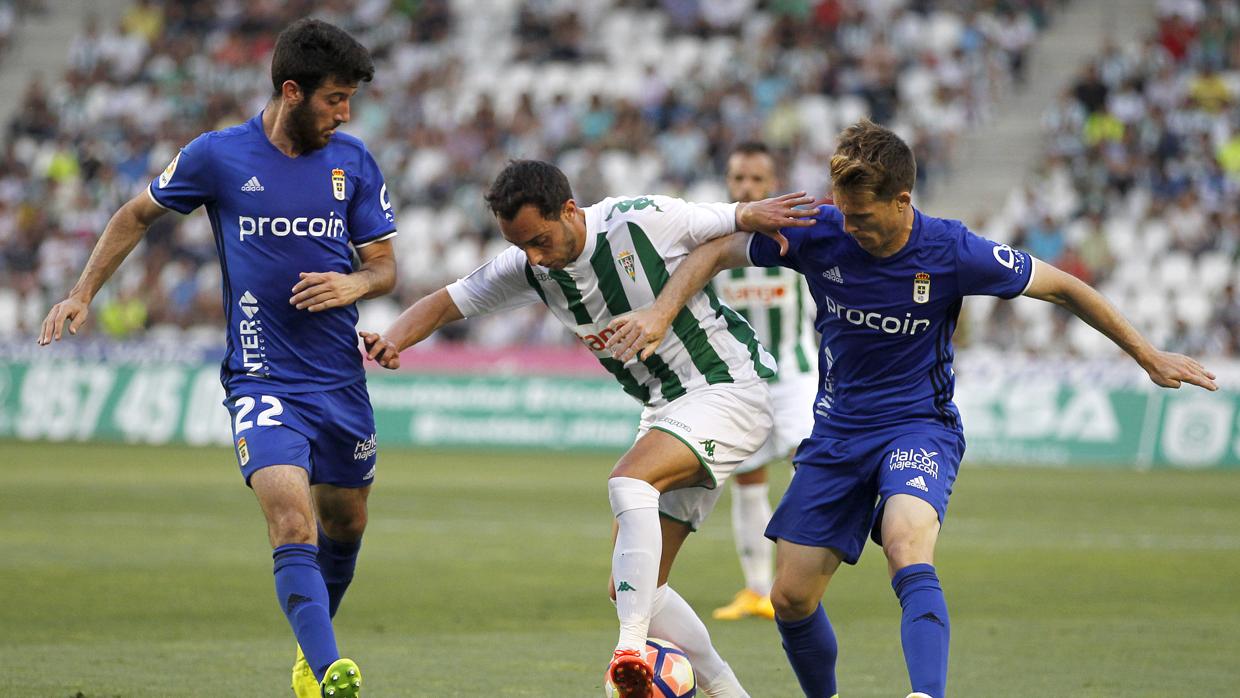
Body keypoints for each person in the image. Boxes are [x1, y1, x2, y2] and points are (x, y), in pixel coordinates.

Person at [604, 120, 1218, 698]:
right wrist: (660, 313)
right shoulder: (821, 230)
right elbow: (716, 251)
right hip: (839, 432)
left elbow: (1063, 285)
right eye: (844, 214)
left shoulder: (953, 250)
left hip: (918, 427)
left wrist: (1146, 353)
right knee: (789, 597)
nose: (851, 228)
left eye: (864, 217)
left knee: (905, 542)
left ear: (903, 200)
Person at [358, 159, 816, 698]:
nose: (534, 256)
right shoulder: (531, 267)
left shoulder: (639, 220)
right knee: (638, 587)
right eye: (521, 245)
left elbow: (723, 222)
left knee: (628, 482)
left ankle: (630, 649)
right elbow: (447, 302)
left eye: (539, 239)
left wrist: (749, 211)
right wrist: (393, 339)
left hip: (728, 386)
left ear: (570, 211)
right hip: (666, 408)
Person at [38, 19, 397, 698]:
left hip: (340, 382)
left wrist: (353, 282)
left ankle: (310, 643)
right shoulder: (217, 156)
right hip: (261, 377)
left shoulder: (354, 161)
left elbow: (383, 267)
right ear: (292, 91)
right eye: (335, 99)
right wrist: (83, 291)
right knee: (292, 518)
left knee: (346, 523)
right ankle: (328, 671)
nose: (345, 113)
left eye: (349, 100)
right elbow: (135, 214)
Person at [708, 142, 818, 622]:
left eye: (756, 179)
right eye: (738, 179)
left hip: (796, 375)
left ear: (772, 184)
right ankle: (756, 590)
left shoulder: (800, 234)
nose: (747, 187)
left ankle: (802, 582)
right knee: (747, 482)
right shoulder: (713, 237)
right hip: (745, 381)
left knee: (809, 469)